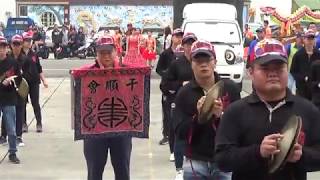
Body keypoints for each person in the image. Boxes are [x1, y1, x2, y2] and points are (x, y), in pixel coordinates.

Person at [215, 38, 320, 180]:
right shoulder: (235, 112)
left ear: (286, 69)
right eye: (265, 68)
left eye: (279, 67)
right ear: (251, 72)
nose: (273, 73)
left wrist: (301, 155)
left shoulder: (307, 110)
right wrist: (258, 152)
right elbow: (222, 160)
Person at [174, 40, 240, 180]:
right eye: (198, 61)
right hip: (196, 160)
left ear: (214, 62)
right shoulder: (184, 93)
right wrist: (199, 117)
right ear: (191, 64)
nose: (203, 64)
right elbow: (179, 132)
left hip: (225, 160)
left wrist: (221, 116)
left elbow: (241, 127)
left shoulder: (230, 88)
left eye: (207, 59)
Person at [79, 35, 132, 180]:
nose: (106, 56)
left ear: (116, 52)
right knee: (94, 172)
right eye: (102, 52)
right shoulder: (86, 74)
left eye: (109, 52)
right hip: (94, 130)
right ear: (96, 54)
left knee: (123, 171)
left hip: (121, 129)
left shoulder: (128, 73)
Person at [163, 32, 197, 180]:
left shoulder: (201, 61)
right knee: (180, 135)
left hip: (198, 105)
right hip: (180, 105)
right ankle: (179, 169)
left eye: (192, 43)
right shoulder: (176, 63)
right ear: (182, 46)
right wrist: (180, 85)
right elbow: (164, 85)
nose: (190, 47)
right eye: (187, 44)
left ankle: (195, 164)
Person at [0, 34, 31, 147]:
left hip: (14, 95)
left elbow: (24, 78)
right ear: (11, 45)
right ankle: (3, 136)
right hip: (3, 96)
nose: (16, 46)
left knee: (15, 121)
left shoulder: (21, 60)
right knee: (6, 120)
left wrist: (14, 80)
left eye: (18, 44)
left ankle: (16, 142)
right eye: (14, 44)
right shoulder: (11, 58)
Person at [156, 28, 183, 146]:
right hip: (168, 88)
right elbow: (158, 69)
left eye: (181, 36)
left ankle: (178, 134)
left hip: (181, 88)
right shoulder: (165, 54)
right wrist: (167, 76)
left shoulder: (184, 55)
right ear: (172, 37)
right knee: (167, 113)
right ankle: (166, 135)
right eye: (177, 36)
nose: (179, 39)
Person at [21, 32, 48, 133]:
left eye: (29, 40)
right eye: (26, 41)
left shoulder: (34, 54)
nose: (28, 42)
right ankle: (23, 123)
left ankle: (39, 123)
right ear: (22, 42)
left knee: (35, 103)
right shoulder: (19, 55)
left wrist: (44, 80)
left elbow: (39, 68)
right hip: (23, 82)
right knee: (22, 103)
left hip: (34, 82)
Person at [0, 35, 21, 163]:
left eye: (3, 47)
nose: (1, 50)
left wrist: (12, 80)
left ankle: (13, 152)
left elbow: (20, 78)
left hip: (9, 99)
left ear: (7, 48)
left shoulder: (13, 62)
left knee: (11, 129)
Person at [291, 30, 320, 100]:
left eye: (312, 39)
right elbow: (293, 71)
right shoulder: (298, 55)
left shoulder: (318, 54)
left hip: (315, 89)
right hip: (302, 88)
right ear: (304, 40)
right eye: (308, 39)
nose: (310, 41)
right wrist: (303, 78)